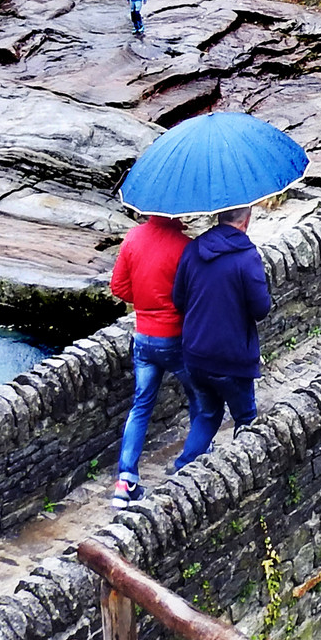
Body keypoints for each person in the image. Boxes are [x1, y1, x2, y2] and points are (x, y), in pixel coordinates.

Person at [171, 205, 271, 470]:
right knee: (246, 417)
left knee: (207, 415)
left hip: (195, 353)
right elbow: (261, 309)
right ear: (246, 221)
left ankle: (183, 468)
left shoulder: (193, 249)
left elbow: (178, 299)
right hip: (232, 357)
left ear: (219, 216)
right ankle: (246, 474)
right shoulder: (247, 256)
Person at [108, 214, 194, 508]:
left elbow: (118, 286)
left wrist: (146, 304)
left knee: (141, 405)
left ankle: (125, 480)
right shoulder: (185, 247)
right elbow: (192, 297)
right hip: (175, 339)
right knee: (200, 397)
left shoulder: (133, 238)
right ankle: (198, 457)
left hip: (143, 338)